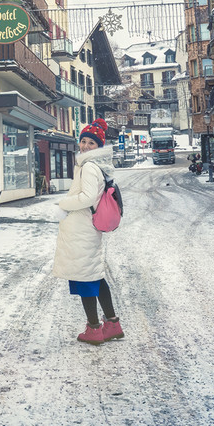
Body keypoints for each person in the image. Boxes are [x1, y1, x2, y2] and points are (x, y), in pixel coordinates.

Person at [51, 118, 123, 345]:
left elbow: (88, 198)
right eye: (83, 141)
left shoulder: (89, 166)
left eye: (91, 143)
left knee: (85, 280)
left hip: (81, 231)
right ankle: (112, 324)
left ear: (99, 146)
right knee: (95, 277)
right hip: (85, 229)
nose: (85, 146)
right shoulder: (91, 165)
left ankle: (94, 329)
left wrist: (64, 204)